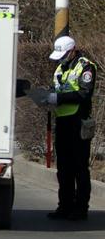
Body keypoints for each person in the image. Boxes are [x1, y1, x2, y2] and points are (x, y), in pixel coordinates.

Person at [42, 36, 97, 220]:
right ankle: (64, 206)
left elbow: (84, 93)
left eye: (64, 54)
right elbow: (57, 88)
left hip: (78, 121)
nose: (61, 58)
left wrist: (59, 99)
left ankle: (81, 209)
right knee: (64, 168)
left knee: (80, 168)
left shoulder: (85, 66)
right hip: (63, 123)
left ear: (73, 50)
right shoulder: (60, 67)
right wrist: (47, 96)